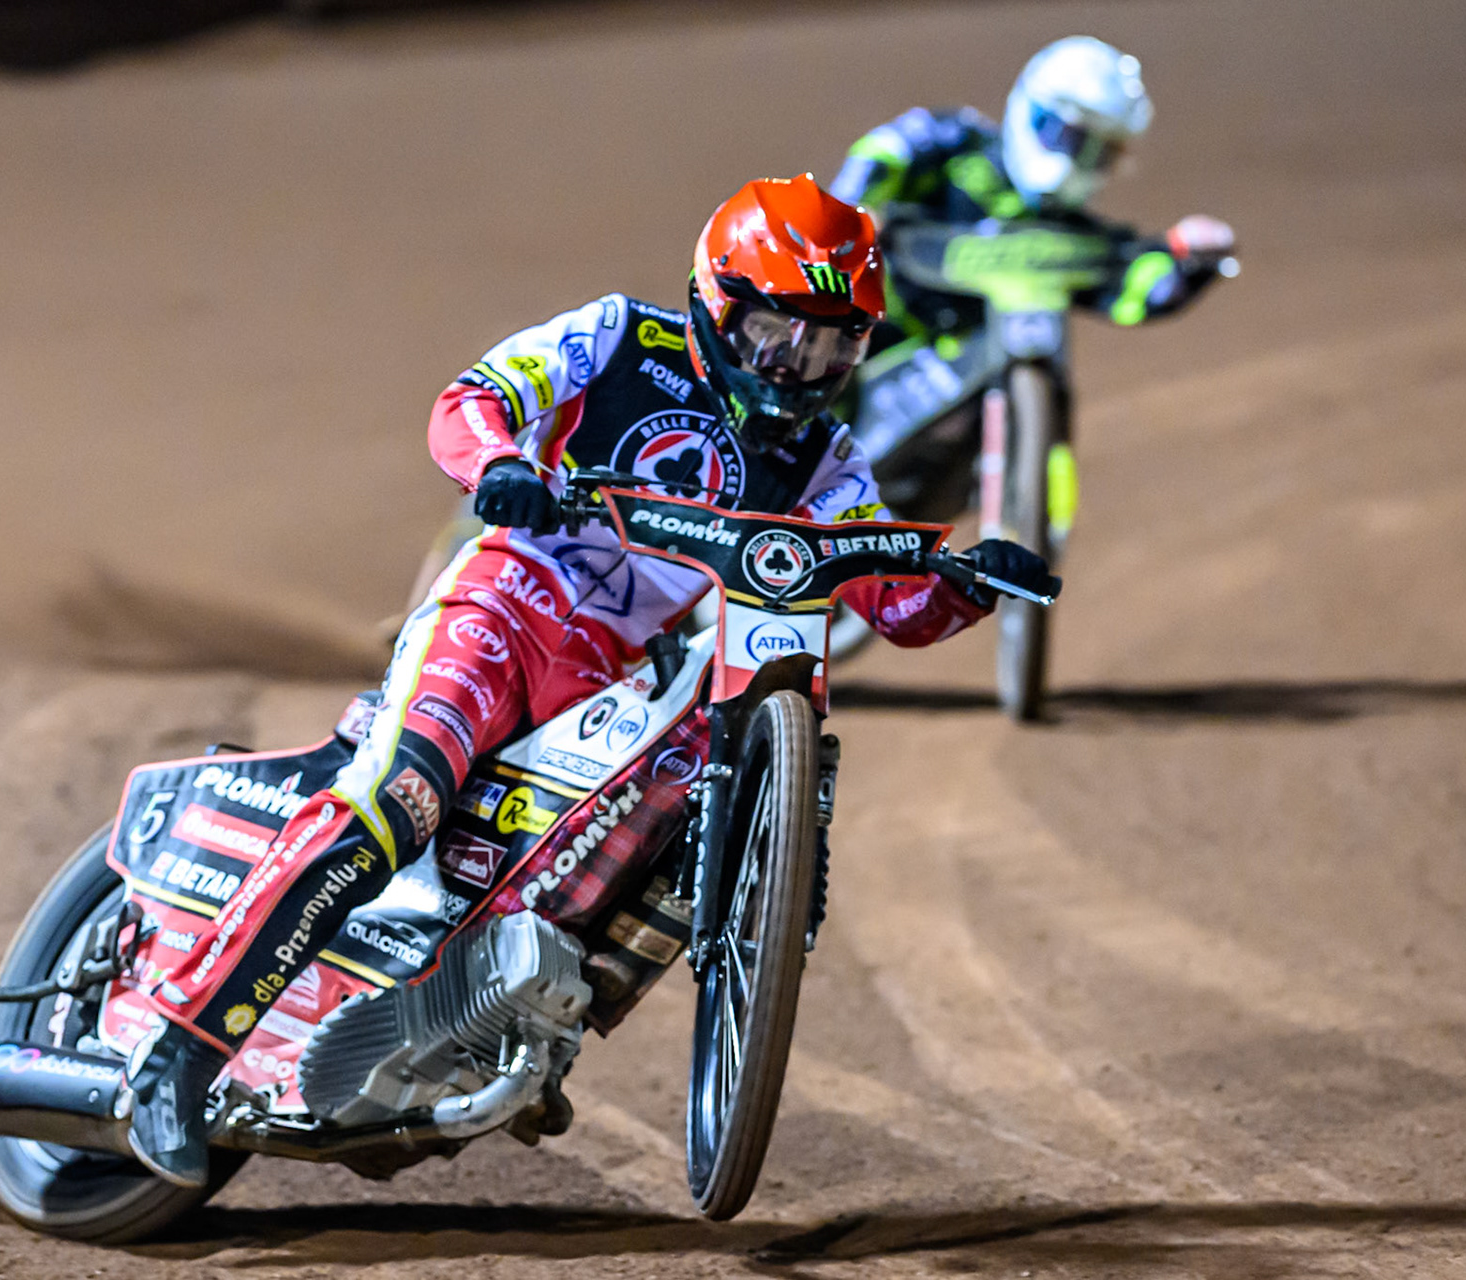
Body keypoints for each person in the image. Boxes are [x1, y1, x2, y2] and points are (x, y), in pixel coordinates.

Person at [121, 176, 1057, 1185]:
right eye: (783, 336)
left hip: (608, 677)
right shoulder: (616, 339)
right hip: (503, 613)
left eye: (833, 346)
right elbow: (472, 399)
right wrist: (495, 464)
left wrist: (965, 581)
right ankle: (179, 1049)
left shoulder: (827, 460)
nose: (802, 368)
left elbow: (888, 601)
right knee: (397, 799)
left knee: (665, 815)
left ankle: (517, 1024)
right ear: (719, 303)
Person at [830, 35, 1234, 339]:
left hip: (985, 374)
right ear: (1035, 111)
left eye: (1099, 152)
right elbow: (887, 151)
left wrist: (1190, 261)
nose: (1077, 161)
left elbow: (1135, 288)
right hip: (875, 335)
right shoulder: (958, 144)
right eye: (1071, 137)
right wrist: (854, 210)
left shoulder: (1075, 237)